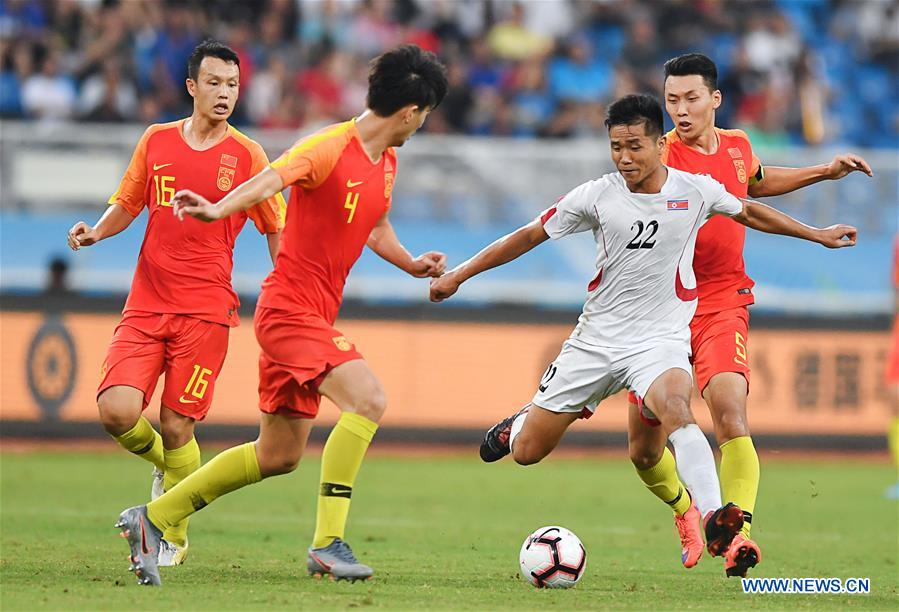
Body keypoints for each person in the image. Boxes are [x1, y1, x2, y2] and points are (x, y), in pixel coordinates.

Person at [435, 94, 856, 573]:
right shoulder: (596, 195)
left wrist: (816, 233)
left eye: (635, 146)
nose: (625, 157)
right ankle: (524, 421)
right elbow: (528, 235)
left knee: (679, 409)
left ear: (660, 144)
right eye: (616, 147)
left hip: (658, 342)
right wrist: (460, 275)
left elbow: (748, 211)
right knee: (529, 452)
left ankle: (716, 515)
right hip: (595, 342)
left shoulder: (694, 190)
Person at [114, 44, 448, 586]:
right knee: (369, 398)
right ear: (413, 111)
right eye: (425, 116)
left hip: (312, 315)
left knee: (278, 454)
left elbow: (376, 225)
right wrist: (220, 206)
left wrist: (411, 263)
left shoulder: (385, 163)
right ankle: (327, 545)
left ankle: (153, 519)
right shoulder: (328, 146)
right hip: (289, 313)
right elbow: (272, 178)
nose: (422, 125)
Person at [625, 53, 874, 577]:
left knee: (731, 412)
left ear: (715, 99)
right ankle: (684, 511)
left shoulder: (736, 145)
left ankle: (734, 536)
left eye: (691, 98)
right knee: (644, 453)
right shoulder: (657, 157)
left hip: (721, 299)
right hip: (661, 307)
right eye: (672, 101)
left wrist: (822, 172)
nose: (681, 110)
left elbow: (753, 184)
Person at [67, 40, 283, 568]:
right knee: (115, 411)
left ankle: (173, 535)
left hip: (207, 311)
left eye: (232, 85)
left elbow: (277, 225)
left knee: (179, 424)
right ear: (192, 87)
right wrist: (96, 232)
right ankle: (176, 467)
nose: (224, 93)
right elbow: (129, 201)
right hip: (146, 304)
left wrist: (289, 287)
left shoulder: (248, 155)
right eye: (214, 83)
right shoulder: (156, 140)